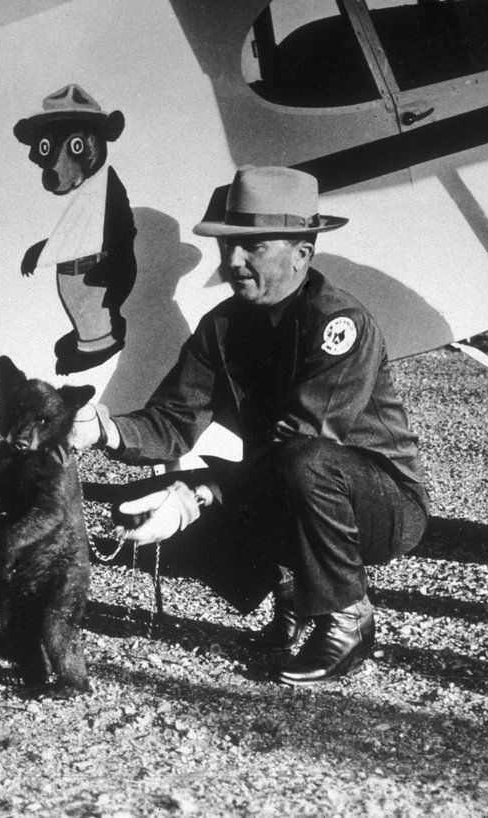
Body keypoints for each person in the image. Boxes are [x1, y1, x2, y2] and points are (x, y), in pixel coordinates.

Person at [72, 166, 428, 686]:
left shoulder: (339, 323)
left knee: (294, 465)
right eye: (228, 246)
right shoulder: (223, 326)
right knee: (148, 498)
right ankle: (292, 605)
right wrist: (103, 430)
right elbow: (174, 421)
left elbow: (309, 439)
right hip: (288, 481)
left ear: (302, 254)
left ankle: (348, 617)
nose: (232, 262)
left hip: (380, 506)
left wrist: (202, 492)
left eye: (254, 246)